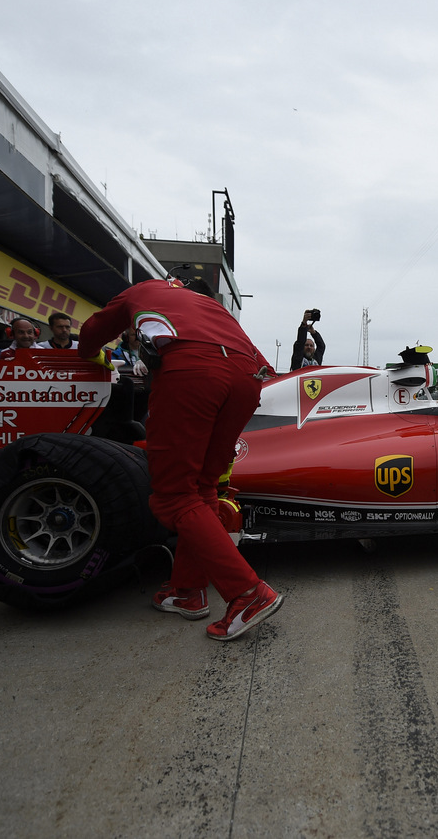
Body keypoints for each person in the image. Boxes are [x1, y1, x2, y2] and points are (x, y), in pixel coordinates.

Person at [77, 275, 283, 641]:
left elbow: (91, 333)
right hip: (246, 378)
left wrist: (94, 358)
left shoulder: (142, 290)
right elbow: (265, 366)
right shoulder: (212, 307)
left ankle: (248, 594)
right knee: (202, 490)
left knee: (173, 496)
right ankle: (187, 591)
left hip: (192, 370)